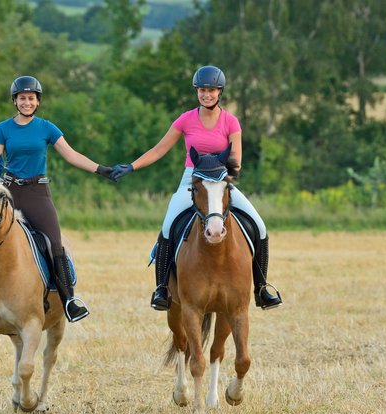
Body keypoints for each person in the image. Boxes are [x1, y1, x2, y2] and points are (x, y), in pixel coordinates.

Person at [0, 75, 112, 322]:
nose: (27, 102)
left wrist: (102, 169)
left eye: (31, 98)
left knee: (53, 242)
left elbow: (71, 156)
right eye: (22, 98)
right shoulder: (2, 128)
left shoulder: (47, 128)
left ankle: (69, 300)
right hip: (8, 192)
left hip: (38, 193)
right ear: (15, 101)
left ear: (37, 102)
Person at [109, 66, 283, 311]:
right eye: (202, 90)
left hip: (221, 181)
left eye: (211, 90)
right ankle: (161, 289)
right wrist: (131, 166)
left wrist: (220, 175)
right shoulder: (186, 119)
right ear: (197, 92)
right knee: (169, 225)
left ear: (219, 92)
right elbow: (159, 149)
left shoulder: (231, 122)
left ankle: (262, 288)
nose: (206, 95)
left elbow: (238, 161)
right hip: (192, 180)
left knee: (260, 226)